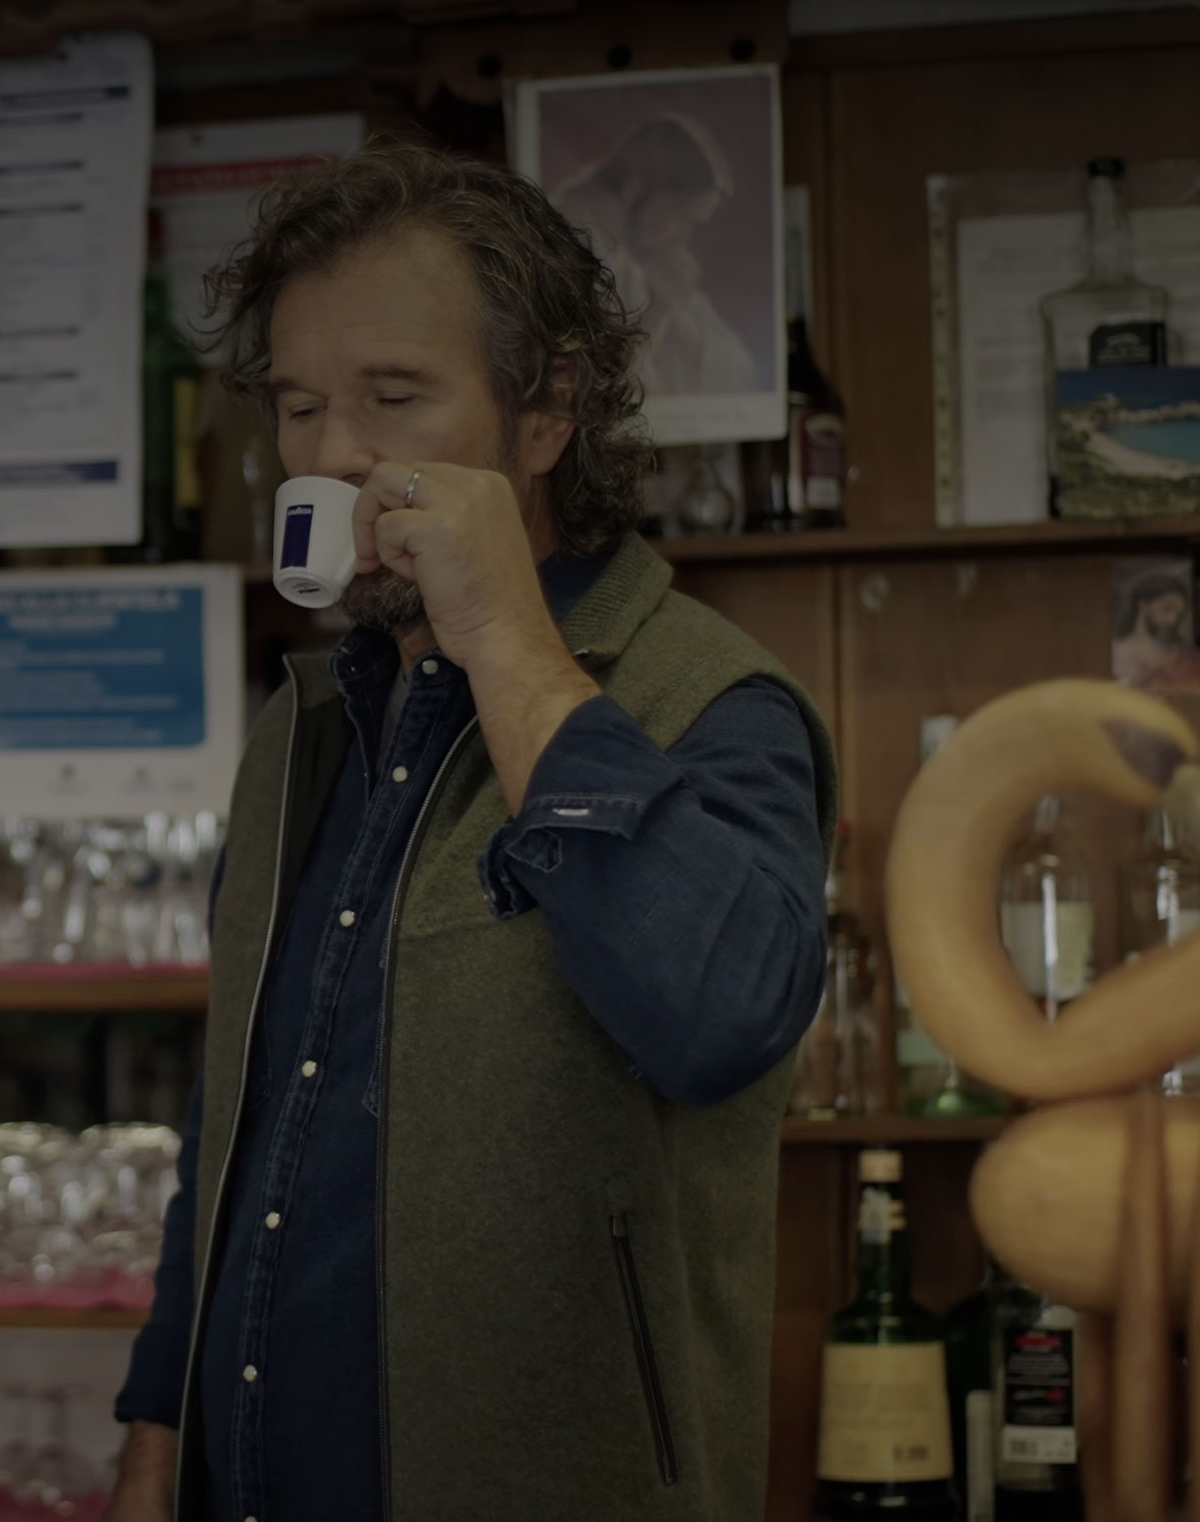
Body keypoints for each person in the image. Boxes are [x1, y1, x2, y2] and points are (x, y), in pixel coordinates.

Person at [106, 142, 834, 1522]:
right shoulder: (305, 729)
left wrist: (502, 633)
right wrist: (156, 1429)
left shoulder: (712, 702)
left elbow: (726, 1016)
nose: (333, 453)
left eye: (393, 397)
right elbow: (235, 1120)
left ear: (548, 410)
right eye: (300, 405)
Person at [549, 113, 763, 396]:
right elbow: (597, 392)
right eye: (681, 219)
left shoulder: (634, 249)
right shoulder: (557, 249)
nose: (683, 238)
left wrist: (679, 321)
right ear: (634, 193)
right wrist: (659, 313)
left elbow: (740, 369)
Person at [1112, 567, 1200, 695]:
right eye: (1167, 608)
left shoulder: (1184, 657)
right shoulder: (1117, 652)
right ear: (1143, 605)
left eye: (1179, 614)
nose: (1172, 620)